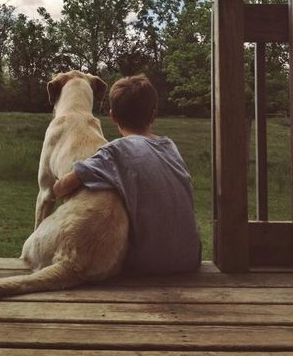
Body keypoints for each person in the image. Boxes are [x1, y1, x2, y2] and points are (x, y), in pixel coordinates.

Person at [53, 74, 201, 275]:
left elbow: (62, 187)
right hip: (190, 259)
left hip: (147, 265)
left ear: (112, 115)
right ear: (154, 113)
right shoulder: (170, 146)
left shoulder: (115, 152)